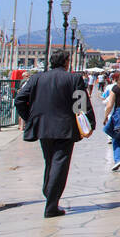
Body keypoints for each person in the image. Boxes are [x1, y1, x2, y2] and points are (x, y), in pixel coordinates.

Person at [13, 48, 100, 217]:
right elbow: (80, 105)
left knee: (50, 161)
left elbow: (19, 100)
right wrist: (89, 123)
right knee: (60, 163)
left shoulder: (37, 78)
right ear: (66, 62)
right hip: (65, 128)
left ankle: (49, 192)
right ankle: (51, 205)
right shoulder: (74, 78)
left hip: (43, 127)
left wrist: (30, 118)